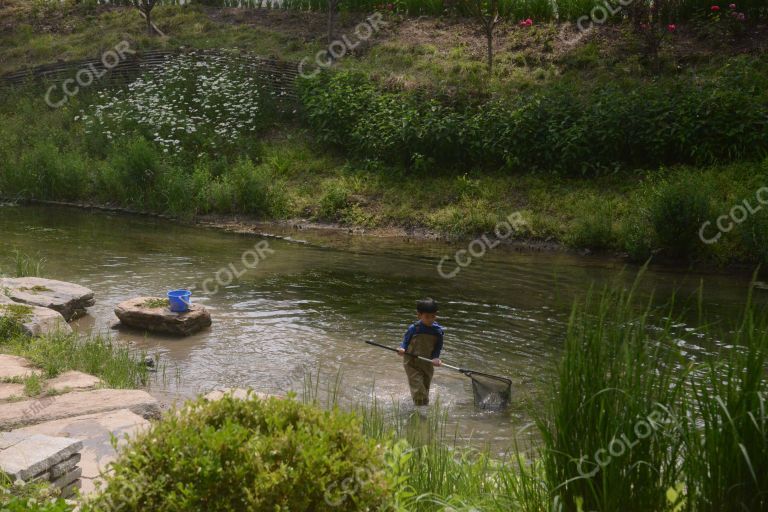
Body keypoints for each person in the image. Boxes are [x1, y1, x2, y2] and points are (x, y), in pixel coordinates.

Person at [397, 298, 443, 415]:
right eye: (427, 317)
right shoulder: (414, 328)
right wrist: (402, 349)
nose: (430, 320)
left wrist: (436, 358)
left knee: (425, 388)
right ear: (419, 315)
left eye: (433, 316)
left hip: (427, 362)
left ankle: (423, 408)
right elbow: (405, 342)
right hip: (411, 362)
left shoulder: (438, 331)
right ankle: (420, 414)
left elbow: (438, 347)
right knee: (418, 388)